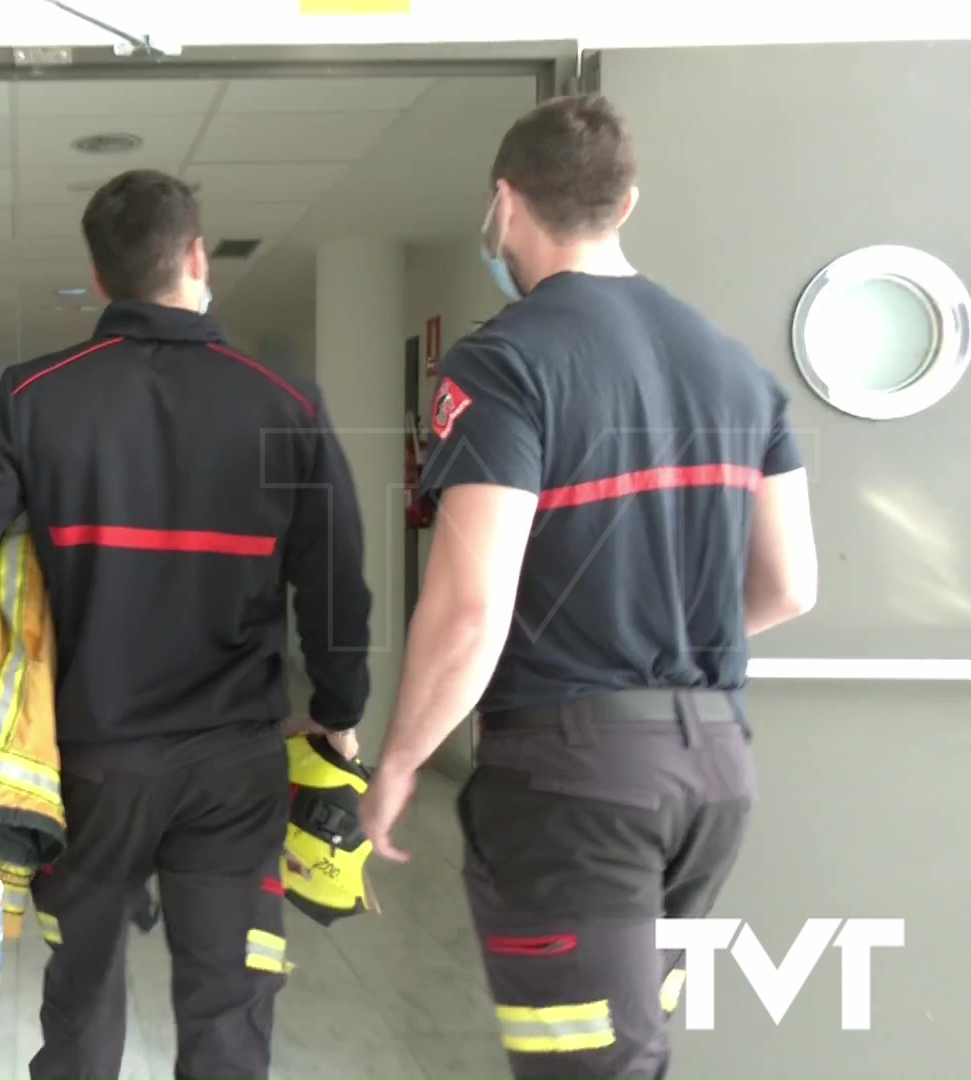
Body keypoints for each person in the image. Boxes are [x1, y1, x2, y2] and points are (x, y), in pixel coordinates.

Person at [359, 95, 818, 1080]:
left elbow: (471, 606)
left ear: (505, 203)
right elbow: (790, 585)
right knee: (625, 1050)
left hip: (576, 782)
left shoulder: (507, 364)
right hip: (712, 772)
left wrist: (399, 760)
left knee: (588, 1064)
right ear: (628, 203)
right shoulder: (737, 371)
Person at [0, 168, 372, 1080]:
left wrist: (35, 587)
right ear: (197, 257)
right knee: (229, 1004)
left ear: (98, 277)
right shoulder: (286, 403)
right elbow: (334, 586)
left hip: (89, 762)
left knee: (82, 993)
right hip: (234, 763)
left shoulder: (33, 395)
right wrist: (337, 708)